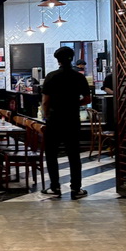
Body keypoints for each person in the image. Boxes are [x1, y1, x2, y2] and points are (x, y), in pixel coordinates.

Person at [41, 46, 91, 199]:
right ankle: (76, 189)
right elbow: (87, 99)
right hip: (72, 120)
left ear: (58, 60)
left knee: (51, 154)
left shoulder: (51, 76)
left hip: (54, 120)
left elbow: (45, 102)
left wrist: (46, 116)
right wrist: (74, 104)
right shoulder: (79, 77)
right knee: (74, 155)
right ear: (72, 58)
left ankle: (55, 187)